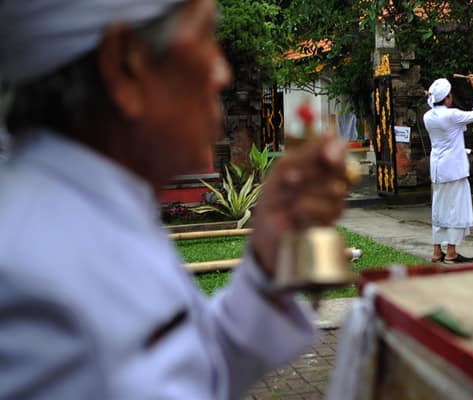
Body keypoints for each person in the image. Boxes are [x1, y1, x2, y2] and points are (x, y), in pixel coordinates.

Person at [0, 1, 350, 399]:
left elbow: (188, 371)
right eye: (204, 36)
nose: (222, 72)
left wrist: (268, 263)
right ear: (125, 64)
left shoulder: (94, 214)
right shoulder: (27, 282)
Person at [423, 75, 473, 264]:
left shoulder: (428, 116)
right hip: (454, 170)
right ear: (448, 97)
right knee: (455, 209)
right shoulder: (451, 115)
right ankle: (451, 252)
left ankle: (436, 251)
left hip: (438, 170)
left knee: (439, 208)